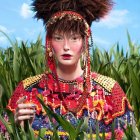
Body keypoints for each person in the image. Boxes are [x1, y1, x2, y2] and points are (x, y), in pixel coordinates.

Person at [7, 0, 134, 139]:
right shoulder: (27, 91)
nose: (66, 46)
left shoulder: (110, 92)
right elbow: (4, 135)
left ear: (85, 42)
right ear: (49, 42)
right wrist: (15, 128)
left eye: (74, 38)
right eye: (58, 38)